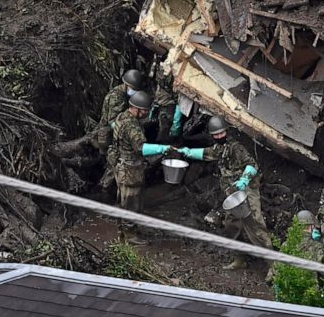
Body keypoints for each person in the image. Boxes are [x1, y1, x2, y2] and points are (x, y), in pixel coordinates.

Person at [177, 116, 273, 270]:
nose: (220, 136)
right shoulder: (220, 148)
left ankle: (272, 266)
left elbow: (252, 165)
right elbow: (207, 153)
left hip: (246, 191)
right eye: (216, 134)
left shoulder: (235, 147)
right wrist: (188, 152)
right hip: (232, 193)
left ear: (226, 131)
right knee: (231, 225)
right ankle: (239, 258)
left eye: (222, 133)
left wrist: (244, 180)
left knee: (255, 226)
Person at [110, 90, 173, 245]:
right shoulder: (132, 126)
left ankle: (122, 230)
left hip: (120, 165)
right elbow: (140, 148)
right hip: (130, 169)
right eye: (144, 110)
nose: (146, 113)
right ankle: (130, 236)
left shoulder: (122, 116)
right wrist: (161, 149)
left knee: (122, 199)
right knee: (131, 202)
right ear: (136, 109)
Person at [92, 69, 145, 189]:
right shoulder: (117, 98)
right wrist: (126, 132)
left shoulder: (124, 94)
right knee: (113, 161)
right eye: (132, 88)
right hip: (109, 133)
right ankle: (104, 188)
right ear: (126, 85)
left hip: (114, 132)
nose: (134, 91)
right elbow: (112, 121)